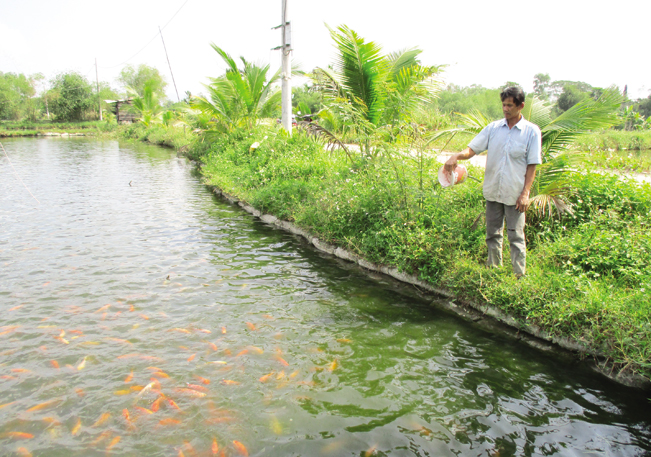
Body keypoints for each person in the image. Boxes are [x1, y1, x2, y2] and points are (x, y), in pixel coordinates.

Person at [444, 86, 542, 276]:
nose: (505, 109)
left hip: (515, 194)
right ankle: (493, 271)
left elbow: (532, 165)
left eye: (510, 105)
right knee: (493, 234)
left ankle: (519, 276)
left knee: (516, 236)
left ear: (521, 106)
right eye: (503, 105)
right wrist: (456, 155)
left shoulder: (531, 132)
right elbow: (472, 149)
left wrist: (526, 193)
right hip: (493, 190)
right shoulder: (494, 128)